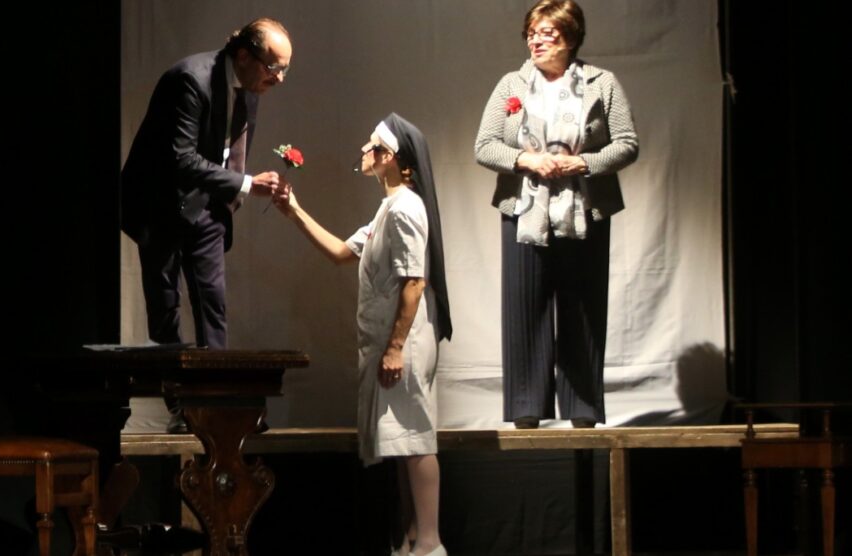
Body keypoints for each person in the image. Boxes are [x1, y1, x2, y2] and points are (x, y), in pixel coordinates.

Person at [275, 114, 450, 556]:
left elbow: (415, 282)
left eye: (371, 145)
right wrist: (293, 209)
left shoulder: (405, 208)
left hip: (404, 344)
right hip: (390, 343)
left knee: (414, 439)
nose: (363, 150)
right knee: (401, 443)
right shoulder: (387, 209)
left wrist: (395, 348)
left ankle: (430, 542)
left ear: (389, 157)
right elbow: (340, 251)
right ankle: (411, 539)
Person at [121, 18, 291, 433]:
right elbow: (181, 159)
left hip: (207, 206)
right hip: (160, 205)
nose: (279, 79)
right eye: (274, 68)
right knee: (165, 309)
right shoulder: (191, 80)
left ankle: (219, 403)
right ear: (245, 56)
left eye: (285, 69)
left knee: (213, 303)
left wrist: (231, 197)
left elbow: (230, 149)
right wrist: (246, 184)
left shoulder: (251, 88)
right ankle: (181, 409)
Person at [473, 0, 638, 429]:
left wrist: (583, 163)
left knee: (582, 306)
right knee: (525, 306)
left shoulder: (602, 83)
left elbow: (627, 144)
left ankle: (582, 408)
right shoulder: (512, 84)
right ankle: (527, 407)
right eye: (531, 33)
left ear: (570, 35)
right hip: (524, 210)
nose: (536, 40)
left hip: (586, 208)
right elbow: (485, 146)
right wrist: (526, 160)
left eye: (546, 32)